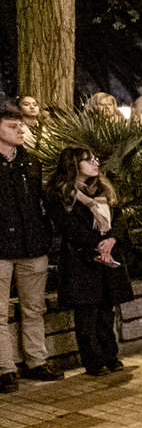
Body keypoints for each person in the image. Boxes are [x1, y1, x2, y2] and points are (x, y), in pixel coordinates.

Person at [47, 147, 135, 377]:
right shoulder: (62, 194)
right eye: (89, 160)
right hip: (82, 261)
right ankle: (94, 361)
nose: (95, 163)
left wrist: (112, 239)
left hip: (107, 260)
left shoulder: (104, 189)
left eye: (95, 159)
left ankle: (111, 356)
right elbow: (69, 227)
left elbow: (120, 218)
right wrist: (98, 243)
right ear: (74, 165)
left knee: (107, 312)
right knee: (86, 315)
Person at [1, 106, 64, 392]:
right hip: (1, 249)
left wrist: (46, 233)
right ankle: (5, 369)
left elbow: (41, 202)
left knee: (34, 309)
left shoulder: (31, 161)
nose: (21, 130)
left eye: (20, 126)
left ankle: (36, 361)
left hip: (32, 246)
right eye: (13, 126)